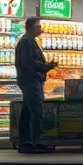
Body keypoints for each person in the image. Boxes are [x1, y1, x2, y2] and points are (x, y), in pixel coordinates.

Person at [15, 16, 57, 153]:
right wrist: (46, 67)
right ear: (30, 28)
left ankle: (25, 142)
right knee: (36, 110)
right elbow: (28, 62)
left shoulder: (29, 41)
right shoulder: (27, 42)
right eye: (38, 27)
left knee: (28, 111)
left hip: (30, 80)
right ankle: (36, 141)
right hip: (30, 80)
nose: (41, 29)